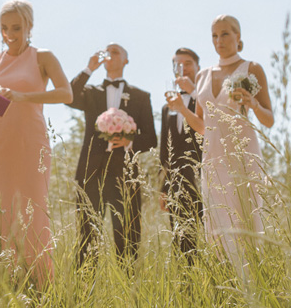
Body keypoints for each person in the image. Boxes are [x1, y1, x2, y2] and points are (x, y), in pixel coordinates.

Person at [0, 0, 72, 286]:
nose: (9, 34)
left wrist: (22, 97)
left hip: (31, 141)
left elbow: (66, 94)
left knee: (33, 207)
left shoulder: (43, 57)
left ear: (29, 26)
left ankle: (40, 284)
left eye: (16, 28)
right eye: (4, 28)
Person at [168, 15, 273, 264]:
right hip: (212, 158)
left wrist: (253, 103)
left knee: (246, 224)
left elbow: (269, 119)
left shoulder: (252, 68)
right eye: (214, 35)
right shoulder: (203, 75)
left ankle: (254, 288)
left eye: (225, 34)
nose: (219, 40)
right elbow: (203, 127)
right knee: (217, 229)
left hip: (242, 154)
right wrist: (182, 109)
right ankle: (227, 292)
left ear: (238, 36)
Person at [68, 43, 157, 266]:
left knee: (128, 237)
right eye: (107, 52)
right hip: (91, 172)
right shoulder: (90, 93)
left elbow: (152, 139)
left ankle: (128, 293)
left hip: (126, 175)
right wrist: (89, 69)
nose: (110, 55)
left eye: (116, 51)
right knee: (87, 236)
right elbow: (68, 96)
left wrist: (130, 141)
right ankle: (84, 293)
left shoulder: (140, 96)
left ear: (126, 60)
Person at [159, 47, 203, 263]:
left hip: (206, 177)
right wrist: (163, 188)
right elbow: (164, 151)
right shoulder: (167, 108)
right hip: (176, 182)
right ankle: (189, 289)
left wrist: (195, 91)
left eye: (187, 63)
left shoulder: (205, 97)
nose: (183, 68)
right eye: (178, 65)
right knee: (182, 241)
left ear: (198, 67)